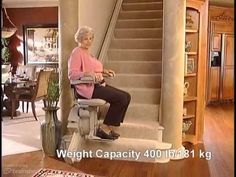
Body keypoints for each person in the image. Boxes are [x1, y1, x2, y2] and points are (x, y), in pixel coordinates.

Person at [68, 26, 131, 140]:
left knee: (126, 96)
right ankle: (106, 127)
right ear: (80, 39)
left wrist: (104, 71)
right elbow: (72, 74)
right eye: (86, 38)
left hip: (97, 85)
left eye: (91, 38)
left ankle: (109, 127)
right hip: (86, 90)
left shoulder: (88, 54)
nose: (89, 41)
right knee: (121, 98)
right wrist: (87, 74)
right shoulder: (77, 52)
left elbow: (94, 69)